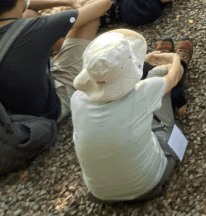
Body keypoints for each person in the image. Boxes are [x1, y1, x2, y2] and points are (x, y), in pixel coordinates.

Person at [0, 0, 111, 122]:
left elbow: (27, 5)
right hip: (44, 113)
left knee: (29, 14)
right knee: (89, 19)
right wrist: (75, 4)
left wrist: (67, 1)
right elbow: (103, 3)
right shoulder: (36, 29)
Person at [72, 30, 192, 202]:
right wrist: (174, 59)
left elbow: (107, 83)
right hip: (149, 184)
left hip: (100, 194)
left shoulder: (77, 99)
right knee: (158, 74)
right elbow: (172, 78)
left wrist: (141, 61)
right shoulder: (144, 92)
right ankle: (184, 64)